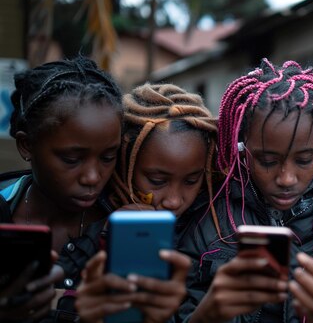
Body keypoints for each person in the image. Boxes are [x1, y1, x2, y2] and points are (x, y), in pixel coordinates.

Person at [175, 59, 313, 323]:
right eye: (268, 161)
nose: (286, 178)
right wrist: (209, 313)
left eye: (304, 160)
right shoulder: (210, 221)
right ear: (243, 149)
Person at [74, 83, 218, 322]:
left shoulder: (212, 225)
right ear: (125, 165)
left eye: (191, 180)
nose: (173, 200)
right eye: (157, 180)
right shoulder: (88, 217)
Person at [0, 57, 123, 322]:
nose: (92, 177)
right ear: (26, 146)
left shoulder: (124, 227)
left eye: (108, 157)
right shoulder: (4, 207)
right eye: (71, 159)